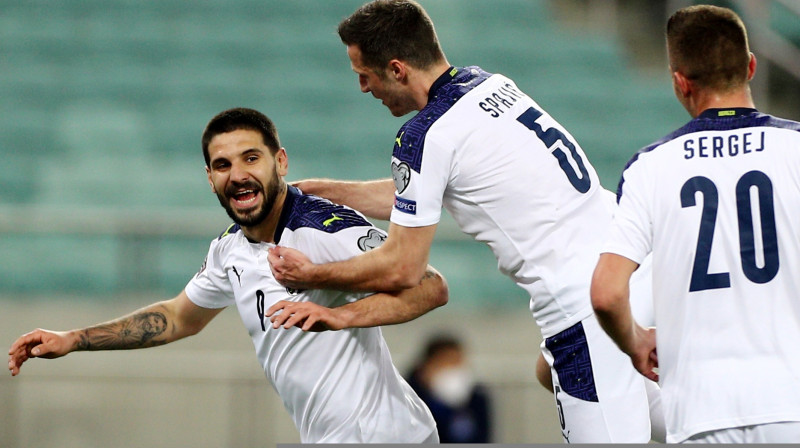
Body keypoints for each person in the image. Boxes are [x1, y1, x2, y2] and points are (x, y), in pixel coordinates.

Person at [267, 0, 659, 442]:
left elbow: (403, 267)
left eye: (365, 73)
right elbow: (420, 191)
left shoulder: (423, 134)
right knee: (679, 423)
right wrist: (326, 190)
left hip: (583, 303)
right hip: (634, 271)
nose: (361, 86)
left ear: (397, 69)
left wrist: (315, 277)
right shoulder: (488, 83)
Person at [7, 107, 450, 443]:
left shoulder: (325, 226)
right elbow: (179, 317)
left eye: (250, 158)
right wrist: (74, 338)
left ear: (280, 162)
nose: (238, 176)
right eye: (222, 165)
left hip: (385, 434)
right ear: (209, 178)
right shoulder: (228, 250)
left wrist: (341, 314)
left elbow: (431, 287)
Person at [591, 5, 800, 443]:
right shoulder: (794, 148)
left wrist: (634, 341)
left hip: (701, 412)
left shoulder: (651, 168)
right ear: (751, 66)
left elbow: (607, 292)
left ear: (680, 81)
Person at [406, 334, 492, 443]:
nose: (453, 370)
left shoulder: (477, 398)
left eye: (457, 363)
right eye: (446, 363)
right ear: (428, 366)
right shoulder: (408, 398)